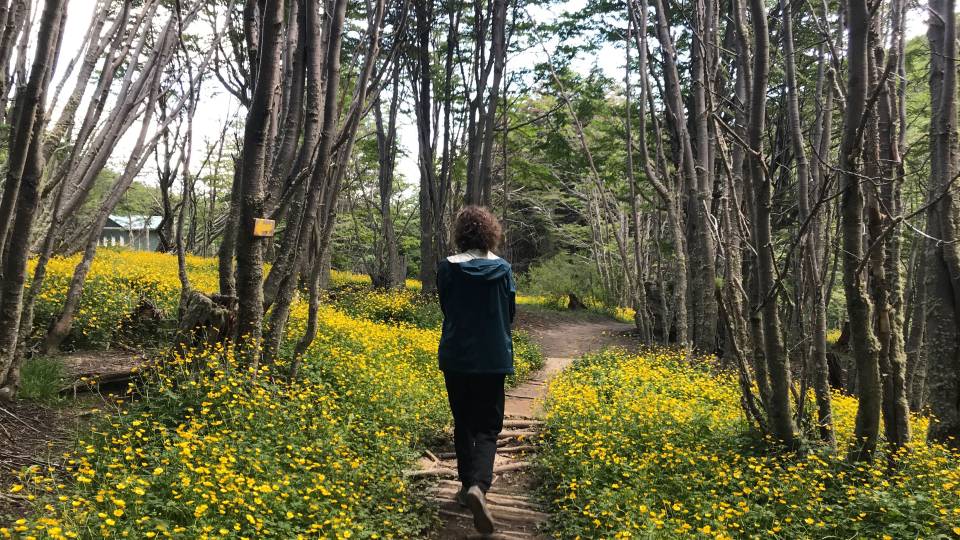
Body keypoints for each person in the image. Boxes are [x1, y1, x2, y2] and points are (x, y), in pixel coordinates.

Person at [437, 205, 516, 534]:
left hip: (457, 357)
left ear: (461, 234)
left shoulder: (447, 268)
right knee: (487, 427)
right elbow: (509, 313)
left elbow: (447, 308)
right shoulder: (504, 269)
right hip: (492, 357)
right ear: (490, 233)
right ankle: (478, 487)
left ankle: (467, 485)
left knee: (464, 423)